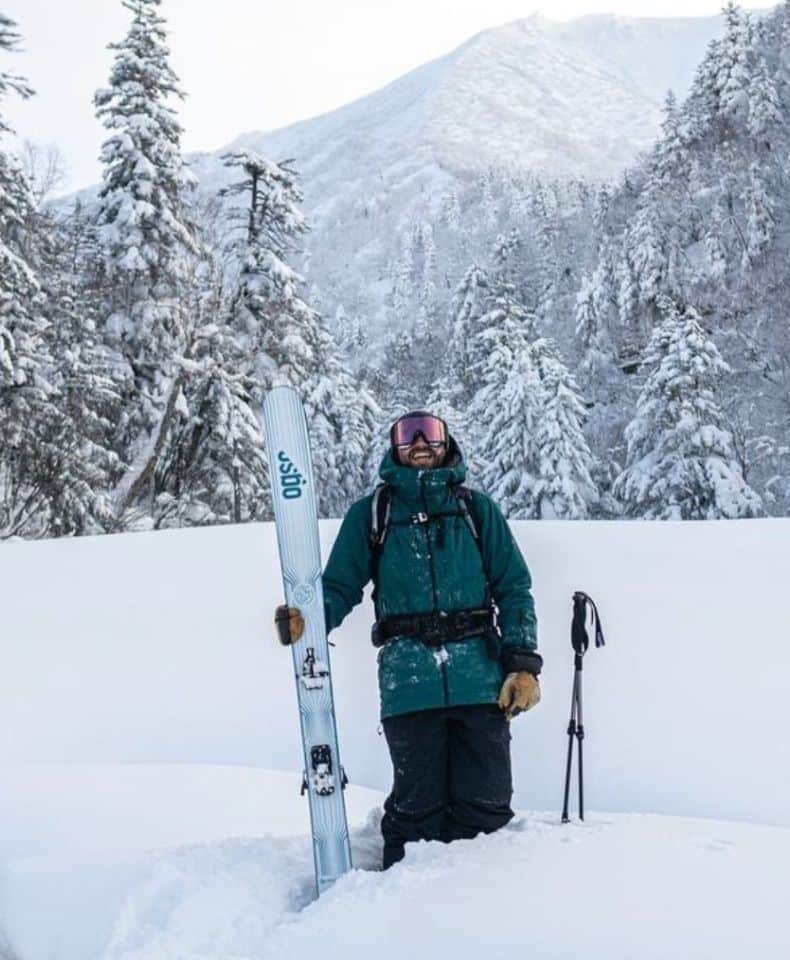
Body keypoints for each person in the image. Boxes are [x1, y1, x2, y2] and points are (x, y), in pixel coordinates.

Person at [276, 410, 541, 869]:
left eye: (430, 433)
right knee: (417, 810)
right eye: (407, 435)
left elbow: (513, 587)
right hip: (409, 680)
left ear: (446, 443)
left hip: (480, 678)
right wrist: (310, 621)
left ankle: (491, 907)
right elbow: (340, 586)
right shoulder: (373, 515)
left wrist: (522, 665)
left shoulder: (475, 510)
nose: (420, 442)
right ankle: (404, 911)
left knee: (486, 805)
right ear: (394, 446)